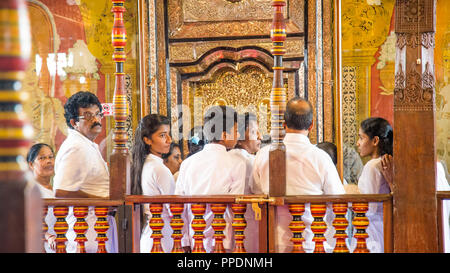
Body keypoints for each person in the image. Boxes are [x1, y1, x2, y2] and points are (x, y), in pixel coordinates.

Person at [251, 97, 345, 253]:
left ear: (283, 124)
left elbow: (255, 193)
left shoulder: (263, 154)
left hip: (271, 242)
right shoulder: (320, 158)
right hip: (311, 241)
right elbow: (339, 200)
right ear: (312, 125)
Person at [52, 91, 118, 253]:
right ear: (74, 122)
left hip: (97, 227)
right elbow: (61, 191)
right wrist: (102, 200)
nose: (96, 120)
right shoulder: (76, 147)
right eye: (88, 116)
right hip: (85, 231)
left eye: (97, 114)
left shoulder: (87, 144)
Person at [175, 105, 246, 253]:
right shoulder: (236, 163)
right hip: (221, 239)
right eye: (235, 131)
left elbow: (179, 206)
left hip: (194, 237)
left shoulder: (188, 163)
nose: (238, 135)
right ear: (225, 135)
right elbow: (235, 209)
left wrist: (184, 240)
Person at [130, 114, 175, 253]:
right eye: (162, 135)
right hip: (163, 235)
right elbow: (173, 209)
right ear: (147, 140)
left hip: (151, 234)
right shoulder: (159, 168)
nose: (169, 140)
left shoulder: (144, 165)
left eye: (169, 134)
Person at [354, 117, 393, 253]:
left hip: (373, 229)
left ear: (375, 141)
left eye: (361, 138)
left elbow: (370, 207)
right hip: (383, 225)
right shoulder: (384, 161)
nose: (358, 143)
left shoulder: (372, 166)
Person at [228, 112, 261, 252]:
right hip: (248, 221)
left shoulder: (225, 157)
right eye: (253, 132)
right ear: (239, 138)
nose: (260, 136)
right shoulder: (252, 161)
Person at [27, 143, 56, 251]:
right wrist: (47, 236)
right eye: (42, 158)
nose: (48, 161)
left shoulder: (58, 189)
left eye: (51, 157)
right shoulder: (30, 190)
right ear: (31, 164)